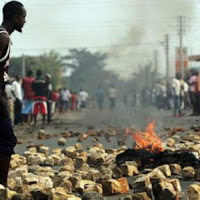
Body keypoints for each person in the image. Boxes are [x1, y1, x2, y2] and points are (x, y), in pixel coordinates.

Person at [0, 1, 26, 186]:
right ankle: (2, 186)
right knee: (7, 140)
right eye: (23, 17)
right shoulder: (3, 38)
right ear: (15, 17)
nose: (24, 21)